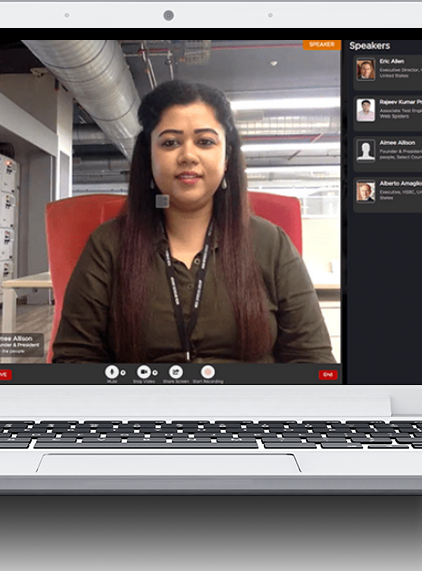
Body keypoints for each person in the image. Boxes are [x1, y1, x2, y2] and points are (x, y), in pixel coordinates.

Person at [52, 80, 335, 364]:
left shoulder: (271, 243)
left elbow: (312, 359)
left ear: (226, 157)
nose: (188, 155)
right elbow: (74, 358)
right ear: (149, 156)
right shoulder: (108, 245)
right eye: (170, 142)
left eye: (205, 141)